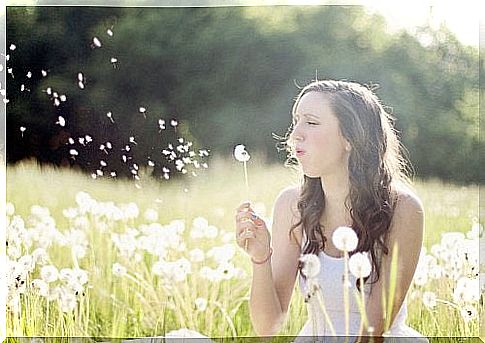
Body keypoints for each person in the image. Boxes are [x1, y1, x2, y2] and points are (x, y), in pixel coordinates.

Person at [235, 79, 428, 342]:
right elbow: (268, 326)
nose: (295, 135)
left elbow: (373, 333)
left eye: (311, 123)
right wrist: (259, 258)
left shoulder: (402, 209)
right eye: (296, 121)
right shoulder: (291, 206)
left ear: (350, 138)